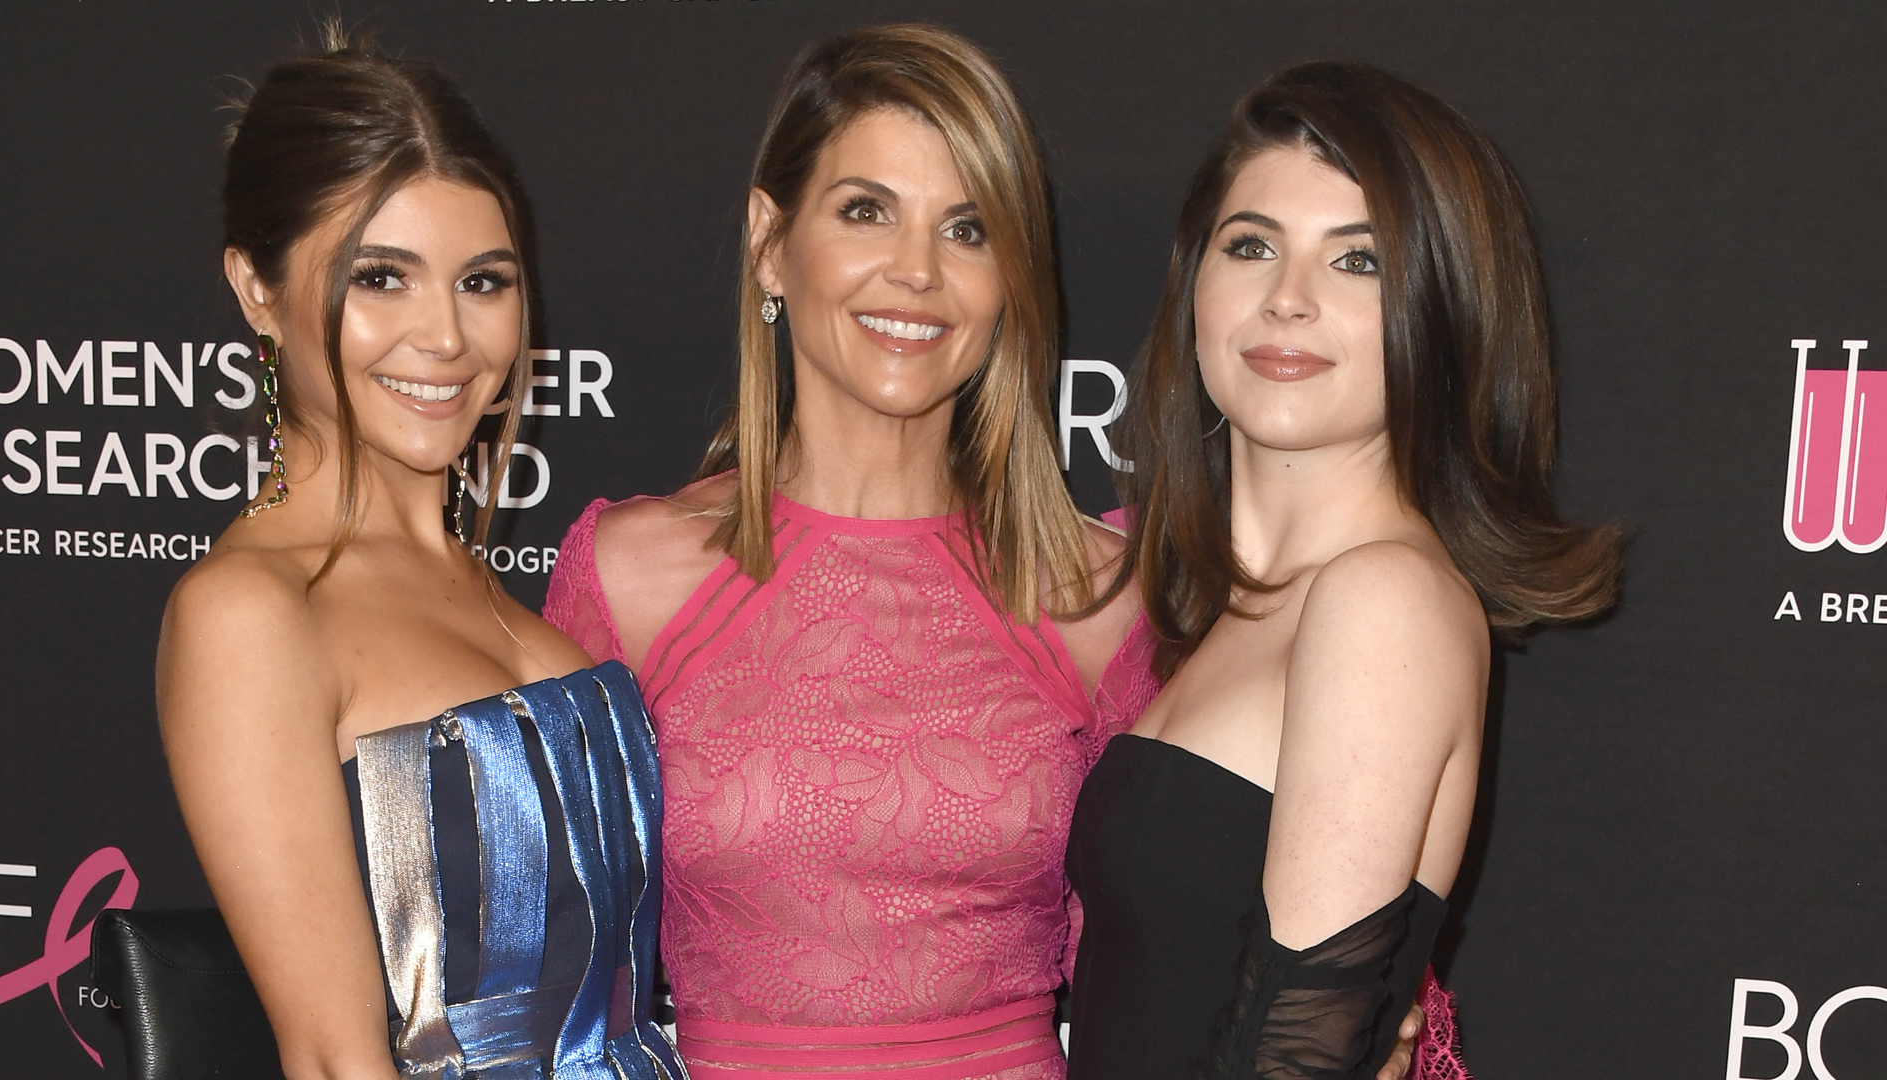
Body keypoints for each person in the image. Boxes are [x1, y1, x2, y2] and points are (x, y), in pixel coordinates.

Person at [543, 26, 1429, 1080]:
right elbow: (554, 985)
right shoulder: (629, 577)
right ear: (771, 240)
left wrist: (1369, 1024)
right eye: (866, 211)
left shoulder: (1099, 594)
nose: (915, 271)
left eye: (967, 229)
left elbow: (1190, 934)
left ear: (1009, 276)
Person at [1064, 61, 1622, 1080]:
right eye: (1251, 246)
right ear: (1196, 279)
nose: (1288, 299)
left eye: (1357, 263)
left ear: (1440, 314)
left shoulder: (1382, 600)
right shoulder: (1218, 611)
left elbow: (1294, 1063)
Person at [157, 33, 682, 1080]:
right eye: (382, 278)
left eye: (483, 281)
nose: (445, 337)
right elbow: (333, 1057)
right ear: (256, 291)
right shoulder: (252, 613)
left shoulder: (485, 587)